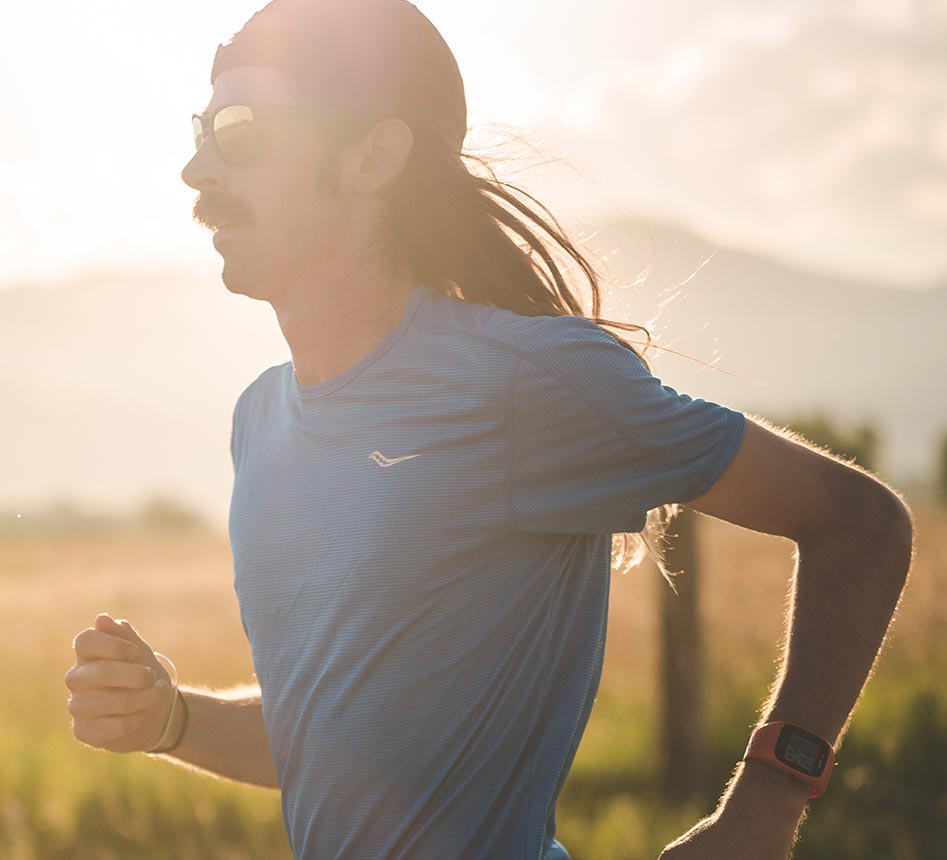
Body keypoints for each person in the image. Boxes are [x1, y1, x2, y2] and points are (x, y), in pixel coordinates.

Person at [61, 1, 916, 858]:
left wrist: (763, 811)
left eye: (239, 132)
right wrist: (173, 718)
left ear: (372, 157)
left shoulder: (523, 383)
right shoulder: (261, 420)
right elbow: (339, 747)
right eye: (202, 129)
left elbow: (858, 521)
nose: (194, 170)